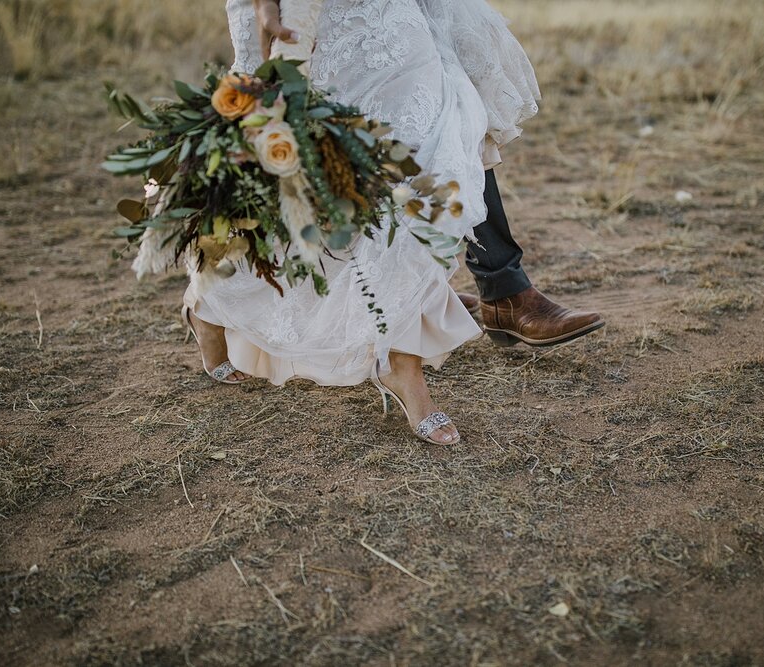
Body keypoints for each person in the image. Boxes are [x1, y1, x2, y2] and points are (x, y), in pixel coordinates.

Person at [183, 0, 603, 445]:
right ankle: (212, 301)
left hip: (391, 13)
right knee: (303, 168)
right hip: (307, 12)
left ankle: (403, 361)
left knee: (427, 155)